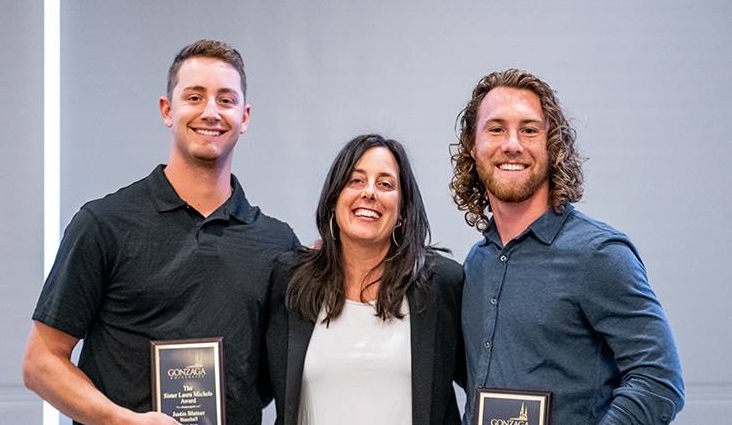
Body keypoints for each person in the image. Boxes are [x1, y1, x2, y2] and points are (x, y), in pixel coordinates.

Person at [22, 39, 299, 425]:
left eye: (226, 99)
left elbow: (284, 370)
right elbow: (41, 362)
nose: (211, 112)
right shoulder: (103, 224)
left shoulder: (277, 244)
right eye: (194, 97)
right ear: (167, 110)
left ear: (245, 116)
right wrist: (121, 420)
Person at [451, 69, 684, 424]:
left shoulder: (599, 255)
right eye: (496, 129)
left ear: (552, 146)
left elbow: (659, 382)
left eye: (529, 130)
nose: (512, 144)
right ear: (473, 146)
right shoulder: (477, 263)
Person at [265, 134, 465, 425]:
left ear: (402, 211)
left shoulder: (440, 285)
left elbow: (483, 377)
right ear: (334, 199)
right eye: (355, 180)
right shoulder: (291, 280)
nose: (369, 192)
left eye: (385, 184)